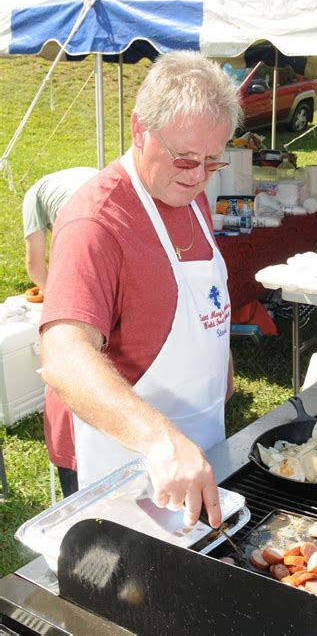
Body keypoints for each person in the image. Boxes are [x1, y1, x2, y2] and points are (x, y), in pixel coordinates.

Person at [40, 51, 242, 527]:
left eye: (213, 162)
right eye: (186, 158)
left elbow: (201, 303)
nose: (197, 177)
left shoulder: (190, 198)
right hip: (119, 452)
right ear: (139, 130)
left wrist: (222, 363)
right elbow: (64, 356)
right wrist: (159, 440)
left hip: (195, 434)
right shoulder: (96, 221)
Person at [22, 167, 99, 293]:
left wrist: (48, 292)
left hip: (81, 209)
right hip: (97, 183)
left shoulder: (33, 195)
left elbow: (34, 265)